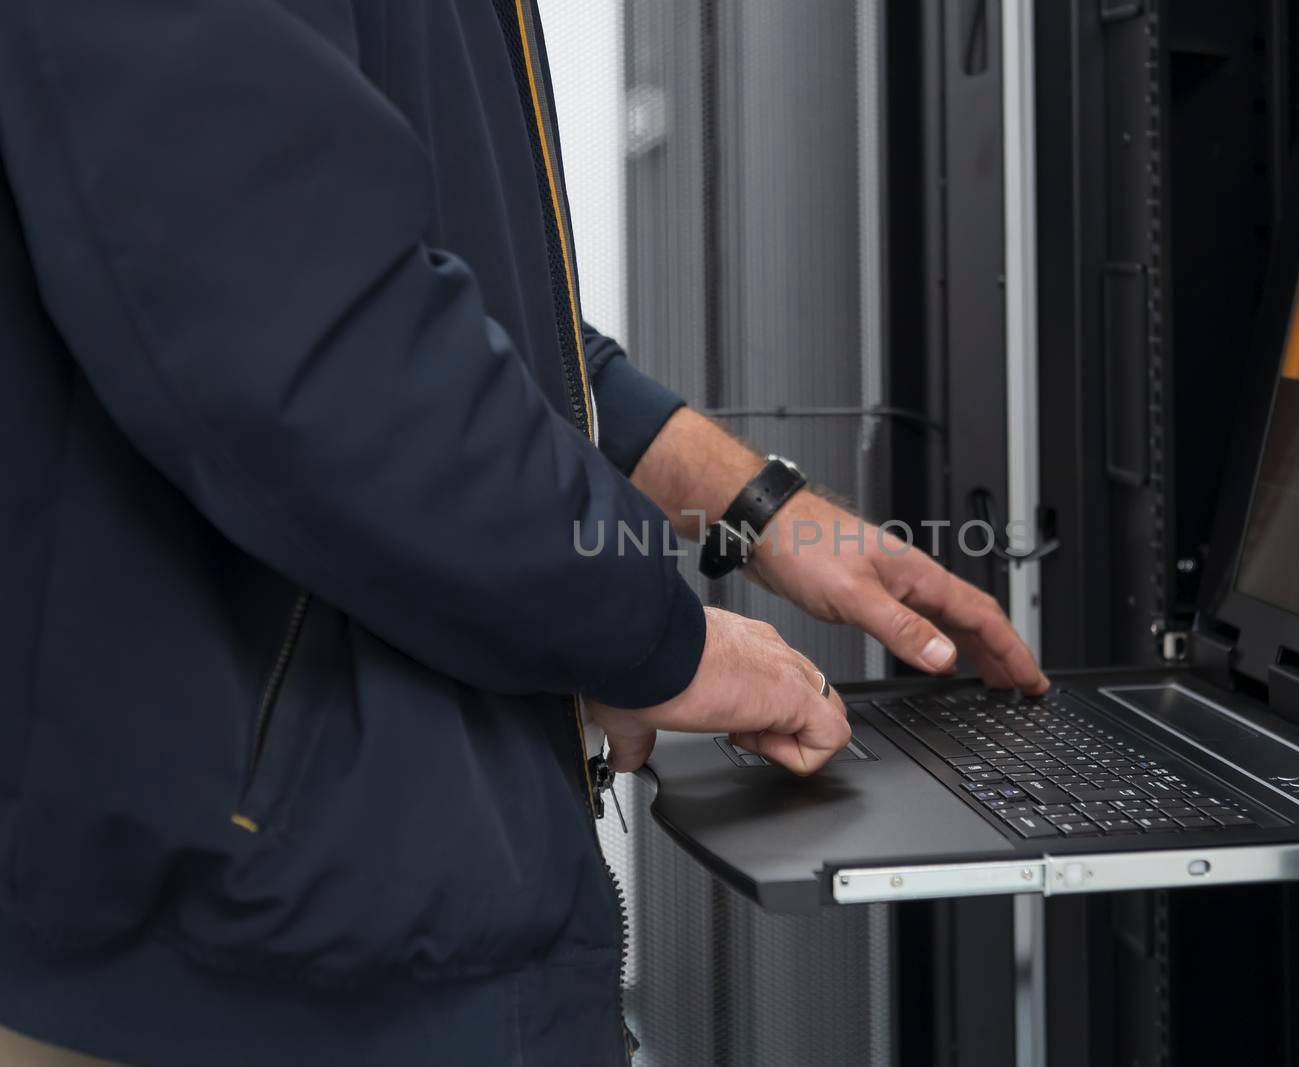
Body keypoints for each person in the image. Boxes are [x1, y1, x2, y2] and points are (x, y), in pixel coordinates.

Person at [0, 1, 1047, 1063]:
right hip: (248, 956)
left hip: (342, 901)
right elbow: (313, 348)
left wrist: (756, 505)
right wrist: (661, 640)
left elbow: (460, 295)